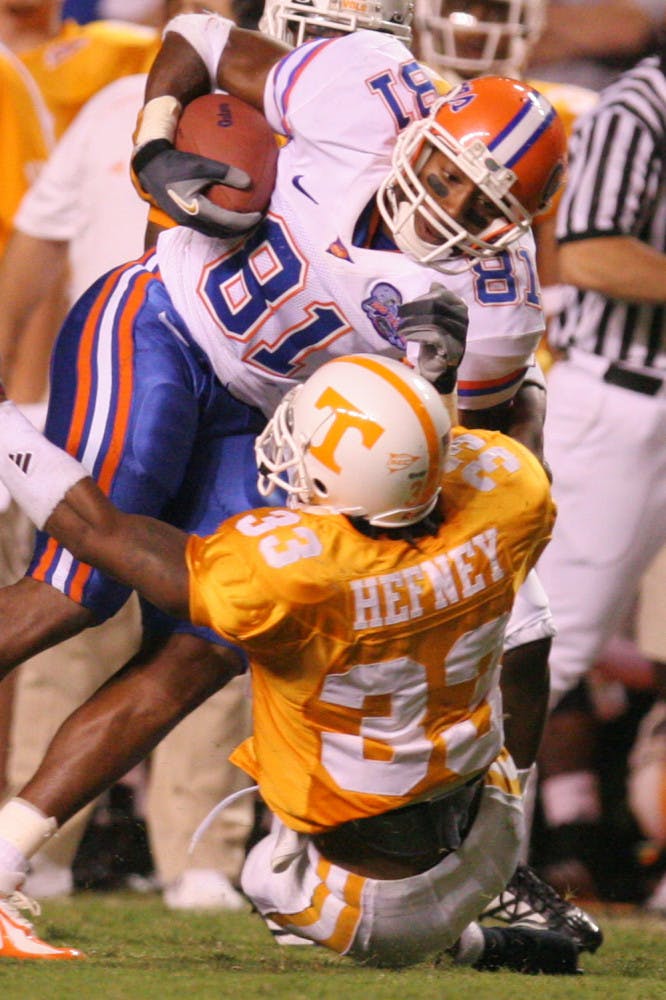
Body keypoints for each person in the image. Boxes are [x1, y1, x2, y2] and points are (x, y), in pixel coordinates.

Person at [0, 13, 571, 956]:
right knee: (75, 592)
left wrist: (435, 390)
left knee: (213, 638)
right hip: (160, 322)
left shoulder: (498, 310)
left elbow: (458, 458)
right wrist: (155, 138)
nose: (443, 207)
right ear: (419, 132)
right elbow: (193, 35)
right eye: (439, 173)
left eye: (476, 207)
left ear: (510, 226)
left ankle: (9, 860)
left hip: (268, 423)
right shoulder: (364, 91)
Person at [0, 348, 587, 972]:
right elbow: (522, 428)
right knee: (528, 619)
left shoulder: (296, 574)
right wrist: (511, 357)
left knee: (260, 864)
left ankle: (444, 938)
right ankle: (476, 934)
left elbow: (97, 533)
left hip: (348, 902)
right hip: (486, 835)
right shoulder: (510, 498)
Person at [0, 0, 262, 912]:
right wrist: (12, 389)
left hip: (249, 396)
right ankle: (48, 849)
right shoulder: (118, 102)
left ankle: (196, 854)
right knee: (72, 600)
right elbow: (42, 239)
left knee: (219, 624)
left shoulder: (321, 117)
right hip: (129, 360)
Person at [534, 47, 666, 895]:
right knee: (548, 649)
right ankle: (450, 857)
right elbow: (588, 253)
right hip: (623, 402)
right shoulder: (641, 105)